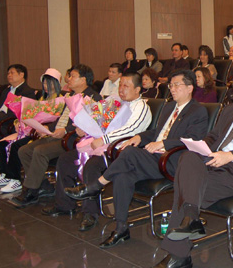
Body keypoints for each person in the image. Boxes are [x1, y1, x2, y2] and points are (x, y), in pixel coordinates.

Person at [152, 74, 233, 268]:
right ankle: (190, 217)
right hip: (212, 161)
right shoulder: (229, 111)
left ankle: (180, 252)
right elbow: (213, 136)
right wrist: (202, 146)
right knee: (188, 157)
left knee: (185, 190)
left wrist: (230, 155)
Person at [61, 71, 206, 243]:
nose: (172, 89)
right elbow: (157, 131)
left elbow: (193, 140)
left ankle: (97, 185)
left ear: (189, 88)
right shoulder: (169, 107)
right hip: (153, 157)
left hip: (172, 159)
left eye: (177, 85)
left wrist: (163, 144)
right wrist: (140, 137)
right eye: (171, 85)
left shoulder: (198, 111)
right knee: (123, 175)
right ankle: (121, 227)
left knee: (129, 152)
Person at [44, 72, 152, 231]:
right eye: (120, 85)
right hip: (98, 144)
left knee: (92, 166)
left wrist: (104, 139)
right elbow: (98, 119)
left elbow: (131, 130)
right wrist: (85, 128)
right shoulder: (115, 102)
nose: (121, 89)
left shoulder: (141, 107)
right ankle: (64, 204)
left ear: (137, 89)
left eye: (126, 86)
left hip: (118, 151)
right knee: (66, 159)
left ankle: (90, 213)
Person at [11, 64, 102, 207]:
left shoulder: (93, 97)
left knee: (40, 151)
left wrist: (65, 130)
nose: (68, 79)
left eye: (72, 76)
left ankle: (31, 192)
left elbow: (89, 123)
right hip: (57, 134)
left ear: (83, 80)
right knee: (24, 150)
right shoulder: (70, 96)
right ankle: (44, 186)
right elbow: (61, 118)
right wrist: (47, 128)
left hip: (72, 138)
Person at [0, 68, 63, 193]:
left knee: (17, 146)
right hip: (30, 130)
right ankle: (5, 175)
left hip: (40, 134)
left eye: (48, 83)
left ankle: (15, 179)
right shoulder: (42, 99)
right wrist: (18, 122)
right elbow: (29, 113)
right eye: (44, 83)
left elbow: (53, 121)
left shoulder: (60, 100)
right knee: (3, 143)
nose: (45, 86)